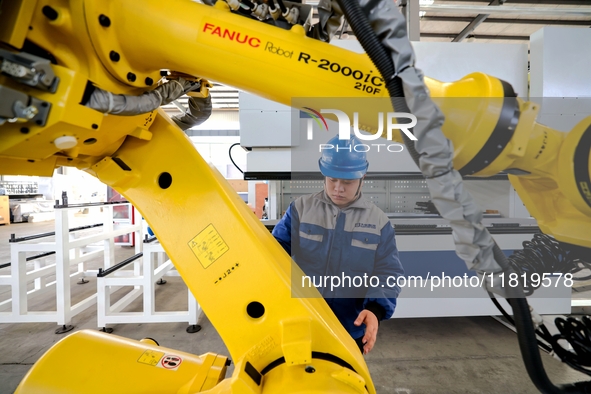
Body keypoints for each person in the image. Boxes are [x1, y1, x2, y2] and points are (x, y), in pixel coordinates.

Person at [272, 135, 404, 355]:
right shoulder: (300, 209)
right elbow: (274, 252)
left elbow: (388, 272)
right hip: (302, 321)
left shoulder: (379, 222)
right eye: (332, 180)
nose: (338, 188)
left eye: (347, 182)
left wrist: (375, 310)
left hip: (350, 328)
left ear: (363, 177)